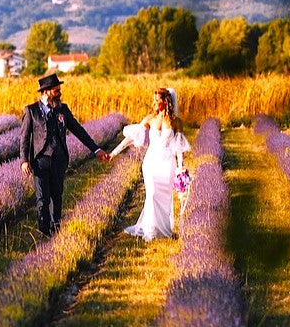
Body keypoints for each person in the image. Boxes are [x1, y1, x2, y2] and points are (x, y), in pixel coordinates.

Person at [20, 72, 111, 236]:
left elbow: (79, 131)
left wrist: (96, 150)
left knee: (57, 196)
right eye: (56, 90)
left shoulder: (63, 109)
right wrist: (24, 160)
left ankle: (56, 229)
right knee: (42, 198)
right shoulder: (31, 111)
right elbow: (25, 137)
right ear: (47, 92)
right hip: (40, 160)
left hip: (59, 159)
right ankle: (44, 232)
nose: (60, 93)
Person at [108, 87, 191, 241]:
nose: (153, 103)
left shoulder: (176, 122)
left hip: (167, 163)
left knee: (165, 197)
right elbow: (131, 138)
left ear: (165, 102)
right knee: (152, 195)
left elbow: (179, 149)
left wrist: (181, 167)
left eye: (157, 101)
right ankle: (150, 230)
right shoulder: (150, 119)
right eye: (154, 100)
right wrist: (114, 152)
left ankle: (163, 229)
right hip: (151, 162)